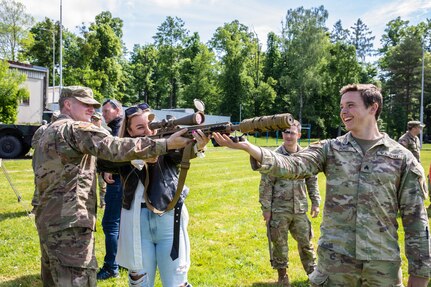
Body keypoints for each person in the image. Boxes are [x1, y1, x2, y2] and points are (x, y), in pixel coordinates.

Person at [213, 84, 430, 287]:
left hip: (382, 269)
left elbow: (416, 221)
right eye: (342, 107)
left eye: (351, 105)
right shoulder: (330, 149)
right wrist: (250, 148)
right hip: (334, 266)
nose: (343, 111)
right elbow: (291, 165)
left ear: (373, 108)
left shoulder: (402, 158)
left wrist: (420, 273)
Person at [32, 86, 192, 287]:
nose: (92, 109)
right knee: (76, 280)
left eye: (93, 105)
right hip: (70, 223)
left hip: (46, 219)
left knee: (54, 280)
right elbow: (114, 146)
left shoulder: (43, 132)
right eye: (86, 104)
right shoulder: (74, 129)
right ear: (67, 104)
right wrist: (165, 144)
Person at [98, 103, 209, 287]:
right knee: (140, 282)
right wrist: (139, 155)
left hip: (168, 218)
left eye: (151, 125)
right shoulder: (124, 149)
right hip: (137, 222)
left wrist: (198, 145)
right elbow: (104, 161)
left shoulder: (168, 143)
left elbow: (181, 153)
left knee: (176, 281)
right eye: (140, 127)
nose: (149, 131)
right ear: (130, 132)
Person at [259, 120, 320, 287]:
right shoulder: (274, 156)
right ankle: (282, 276)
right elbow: (266, 184)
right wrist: (266, 208)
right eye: (285, 132)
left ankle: (312, 274)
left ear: (299, 135)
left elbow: (312, 180)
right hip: (279, 209)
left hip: (300, 209)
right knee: (279, 244)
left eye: (292, 132)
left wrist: (315, 202)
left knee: (306, 243)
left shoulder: (305, 156)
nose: (288, 135)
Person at [98, 98, 124, 279]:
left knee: (110, 224)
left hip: (118, 181)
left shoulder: (119, 127)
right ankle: (123, 262)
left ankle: (110, 267)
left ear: (117, 110)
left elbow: (119, 151)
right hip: (125, 180)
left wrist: (108, 168)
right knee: (122, 224)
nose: (104, 114)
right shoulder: (121, 125)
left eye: (106, 111)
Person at [30, 110, 60, 214]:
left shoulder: (61, 130)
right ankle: (36, 207)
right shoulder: (43, 129)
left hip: (54, 162)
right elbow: (33, 144)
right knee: (40, 183)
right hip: (41, 161)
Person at [91, 112, 107, 208]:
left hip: (101, 163)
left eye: (96, 120)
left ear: (100, 121)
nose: (94, 121)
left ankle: (102, 202)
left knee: (102, 185)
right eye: (93, 119)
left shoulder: (104, 132)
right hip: (92, 163)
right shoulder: (88, 132)